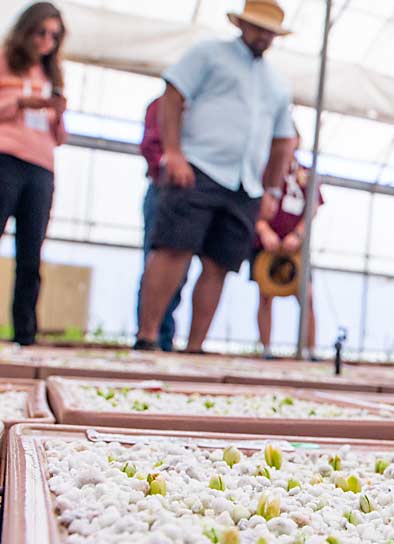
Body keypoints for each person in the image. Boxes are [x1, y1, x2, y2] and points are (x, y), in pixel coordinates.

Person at [134, 0, 296, 353]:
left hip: (245, 183)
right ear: (241, 24)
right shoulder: (209, 54)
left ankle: (195, 347)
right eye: (258, 26)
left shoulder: (278, 84)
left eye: (269, 30)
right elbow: (172, 96)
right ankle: (147, 338)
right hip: (199, 168)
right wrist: (174, 153)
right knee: (172, 250)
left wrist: (270, 188)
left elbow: (283, 140)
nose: (263, 35)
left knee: (219, 264)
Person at [0, 2, 67, 346]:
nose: (47, 41)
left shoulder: (51, 75)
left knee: (31, 253)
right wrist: (19, 104)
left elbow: (59, 136)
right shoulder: (4, 61)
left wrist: (58, 114)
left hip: (41, 167)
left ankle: (25, 333)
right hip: (6, 156)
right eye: (41, 32)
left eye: (54, 35)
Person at [252, 133, 323, 360]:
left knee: (307, 295)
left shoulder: (305, 174)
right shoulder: (262, 168)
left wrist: (298, 234)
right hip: (266, 245)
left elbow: (313, 206)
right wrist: (263, 230)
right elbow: (251, 201)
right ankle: (266, 349)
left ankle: (310, 350)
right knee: (265, 294)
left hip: (296, 246)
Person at [135, 95, 186, 351]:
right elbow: (151, 146)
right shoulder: (163, 105)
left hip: (192, 191)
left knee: (178, 271)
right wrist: (169, 167)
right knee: (160, 259)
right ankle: (150, 337)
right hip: (165, 189)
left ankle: (165, 338)